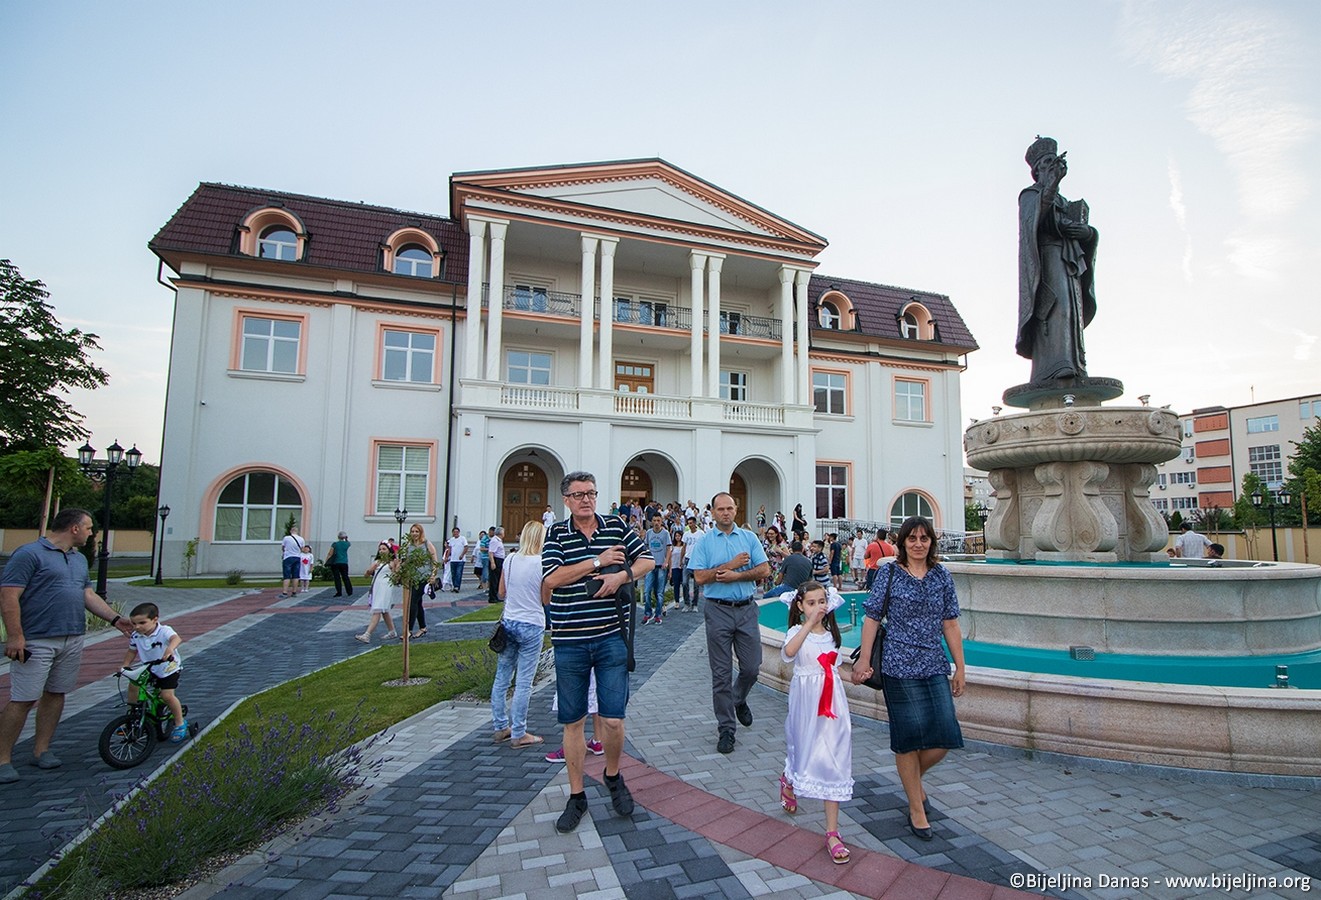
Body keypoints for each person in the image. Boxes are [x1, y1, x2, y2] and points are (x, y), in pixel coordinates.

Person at [543, 471, 653, 833]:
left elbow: (648, 561)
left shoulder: (616, 525)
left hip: (610, 637)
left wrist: (621, 576)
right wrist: (597, 562)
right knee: (572, 721)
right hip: (570, 639)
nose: (585, 500)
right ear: (566, 500)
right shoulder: (557, 534)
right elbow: (552, 579)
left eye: (590, 493)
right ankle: (576, 796)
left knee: (613, 719)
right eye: (578, 495)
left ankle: (612, 774)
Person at [852, 515, 966, 842]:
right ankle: (916, 807)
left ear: (931, 542)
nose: (918, 544)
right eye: (912, 538)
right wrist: (863, 662)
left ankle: (912, 783)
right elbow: (872, 618)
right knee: (907, 737)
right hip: (897, 664)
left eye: (924, 538)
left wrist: (960, 666)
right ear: (902, 542)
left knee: (945, 735)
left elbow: (951, 624)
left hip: (933, 662)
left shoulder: (941, 576)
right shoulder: (888, 572)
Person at [0, 508, 134, 782]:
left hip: (72, 636)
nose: (90, 532)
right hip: (37, 639)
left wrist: (115, 618)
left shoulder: (78, 560)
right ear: (74, 528)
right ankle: (2, 758)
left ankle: (41, 751)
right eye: (88, 527)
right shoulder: (29, 554)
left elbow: (87, 593)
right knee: (24, 698)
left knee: (56, 693)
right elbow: (9, 595)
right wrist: (15, 636)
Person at [687, 492, 770, 754]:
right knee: (721, 674)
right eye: (720, 509)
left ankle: (739, 698)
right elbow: (700, 577)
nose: (725, 512)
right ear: (712, 512)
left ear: (736, 510)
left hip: (746, 609)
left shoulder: (749, 538)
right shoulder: (704, 542)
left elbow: (765, 569)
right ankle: (726, 729)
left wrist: (736, 575)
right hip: (718, 611)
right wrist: (730, 565)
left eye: (729, 508)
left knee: (752, 668)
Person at [778, 581, 853, 864]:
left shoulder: (833, 635)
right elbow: (788, 654)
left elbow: (836, 667)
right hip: (806, 702)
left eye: (821, 601)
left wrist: (856, 677)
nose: (818, 607)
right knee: (802, 750)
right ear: (800, 606)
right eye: (811, 602)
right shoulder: (797, 632)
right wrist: (808, 623)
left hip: (833, 703)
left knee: (833, 761)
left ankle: (832, 833)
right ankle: (789, 777)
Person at [1016, 136, 1099, 385]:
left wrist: (1088, 233)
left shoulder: (1065, 202)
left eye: (1055, 161)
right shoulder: (1030, 195)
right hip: (1048, 259)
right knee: (1056, 307)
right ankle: (1053, 365)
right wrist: (1051, 186)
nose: (1053, 166)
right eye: (1047, 163)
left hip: (1069, 261)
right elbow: (1035, 224)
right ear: (1037, 170)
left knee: (1073, 311)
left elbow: (1082, 230)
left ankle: (1075, 362)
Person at [491, 521, 549, 749]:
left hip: (510, 621)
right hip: (532, 623)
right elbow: (546, 600)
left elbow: (501, 591)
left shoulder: (511, 558)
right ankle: (519, 732)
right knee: (524, 681)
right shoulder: (543, 563)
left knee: (502, 677)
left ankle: (499, 726)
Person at [122, 602, 189, 742]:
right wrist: (125, 665)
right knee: (133, 686)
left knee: (167, 696)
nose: (137, 627)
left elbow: (176, 638)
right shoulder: (136, 635)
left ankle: (180, 723)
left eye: (142, 623)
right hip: (149, 667)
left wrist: (170, 649)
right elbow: (131, 651)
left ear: (155, 619)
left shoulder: (164, 631)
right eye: (134, 623)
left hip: (168, 668)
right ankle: (131, 719)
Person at [356, 542, 399, 642]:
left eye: (384, 549)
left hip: (385, 588)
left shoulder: (392, 562)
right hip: (377, 587)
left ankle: (367, 634)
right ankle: (392, 631)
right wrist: (369, 571)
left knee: (377, 610)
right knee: (384, 611)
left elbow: (396, 577)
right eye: (380, 549)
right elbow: (366, 575)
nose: (381, 551)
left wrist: (397, 567)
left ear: (389, 550)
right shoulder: (377, 561)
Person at [400, 523, 438, 639]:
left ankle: (408, 630)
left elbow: (434, 560)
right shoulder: (408, 545)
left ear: (420, 532)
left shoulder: (426, 543)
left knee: (412, 603)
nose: (414, 534)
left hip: (424, 578)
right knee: (418, 603)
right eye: (412, 531)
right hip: (413, 577)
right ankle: (423, 627)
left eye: (417, 531)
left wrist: (433, 575)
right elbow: (406, 560)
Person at [642, 514, 670, 625]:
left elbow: (668, 549)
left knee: (659, 593)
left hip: (661, 566)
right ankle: (647, 613)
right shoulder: (649, 533)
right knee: (646, 591)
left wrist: (666, 561)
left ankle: (658, 615)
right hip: (650, 565)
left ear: (661, 521)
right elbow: (646, 548)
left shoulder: (665, 533)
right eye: (654, 520)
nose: (656, 523)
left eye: (658, 520)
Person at [679, 517, 704, 611]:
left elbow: (703, 547)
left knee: (696, 584)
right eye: (688, 523)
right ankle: (686, 603)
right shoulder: (686, 534)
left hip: (697, 560)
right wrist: (681, 559)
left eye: (691, 523)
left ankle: (695, 604)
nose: (689, 525)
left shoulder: (700, 534)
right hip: (687, 559)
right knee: (685, 582)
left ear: (694, 524)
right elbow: (684, 547)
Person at [279, 523, 306, 598]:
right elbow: (302, 549)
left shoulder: (286, 538)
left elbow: (283, 548)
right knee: (296, 575)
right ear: (297, 531)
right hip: (297, 557)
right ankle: (294, 592)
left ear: (291, 531)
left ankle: (285, 592)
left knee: (287, 575)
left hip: (288, 557)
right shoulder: (301, 539)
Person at [325, 531, 353, 597]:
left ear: (338, 537)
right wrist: (346, 538)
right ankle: (349, 591)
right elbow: (348, 542)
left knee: (337, 578)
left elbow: (330, 553)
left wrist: (327, 560)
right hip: (344, 562)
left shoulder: (335, 544)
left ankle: (339, 592)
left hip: (335, 562)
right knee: (345, 577)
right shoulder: (347, 544)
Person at [444, 527, 469, 594]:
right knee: (453, 574)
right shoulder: (451, 540)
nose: (455, 533)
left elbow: (466, 547)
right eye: (454, 532)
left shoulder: (462, 539)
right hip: (453, 559)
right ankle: (454, 585)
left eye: (457, 532)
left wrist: (462, 555)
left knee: (458, 573)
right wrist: (446, 557)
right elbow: (449, 549)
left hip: (460, 560)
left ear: (459, 532)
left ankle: (457, 586)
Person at [666, 531, 686, 612]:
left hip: (683, 566)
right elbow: (670, 558)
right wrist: (670, 569)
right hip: (674, 567)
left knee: (685, 584)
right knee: (676, 585)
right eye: (676, 536)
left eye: (679, 536)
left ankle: (686, 600)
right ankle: (677, 601)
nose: (677, 537)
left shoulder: (684, 546)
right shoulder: (672, 547)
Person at [487, 526, 506, 604]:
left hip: (499, 560)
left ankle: (495, 596)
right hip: (496, 560)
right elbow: (491, 552)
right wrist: (492, 562)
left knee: (497, 579)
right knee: (494, 579)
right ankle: (492, 597)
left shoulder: (498, 540)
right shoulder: (494, 541)